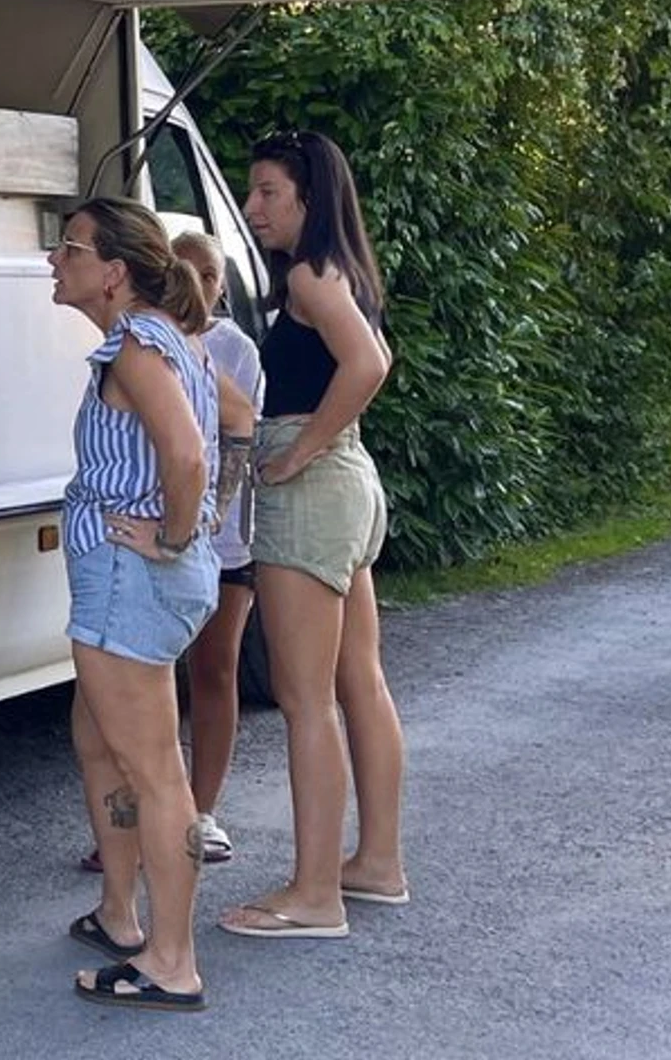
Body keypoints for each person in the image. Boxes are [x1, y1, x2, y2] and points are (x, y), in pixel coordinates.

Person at [218, 131, 407, 940]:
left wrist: (297, 451)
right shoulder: (342, 269)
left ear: (309, 197)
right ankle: (377, 863)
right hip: (350, 482)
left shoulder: (307, 274)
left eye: (267, 192)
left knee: (304, 700)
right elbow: (375, 352)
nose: (252, 207)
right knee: (359, 680)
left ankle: (315, 893)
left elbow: (368, 365)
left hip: (315, 487)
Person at [48, 198, 219, 1013]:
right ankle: (119, 913)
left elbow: (186, 455)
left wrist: (174, 536)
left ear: (114, 272)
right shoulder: (174, 338)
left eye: (70, 247)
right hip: (131, 579)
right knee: (99, 739)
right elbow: (232, 423)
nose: (55, 259)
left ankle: (172, 961)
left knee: (154, 772)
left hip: (131, 577)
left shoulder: (138, 349)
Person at [172, 229, 264, 867]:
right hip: (164, 529)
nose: (196, 285)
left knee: (215, 667)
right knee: (150, 678)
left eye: (208, 274)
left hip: (223, 538)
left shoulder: (236, 348)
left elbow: (241, 432)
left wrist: (212, 520)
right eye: (184, 271)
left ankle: (202, 810)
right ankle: (144, 814)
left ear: (221, 286)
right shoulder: (146, 337)